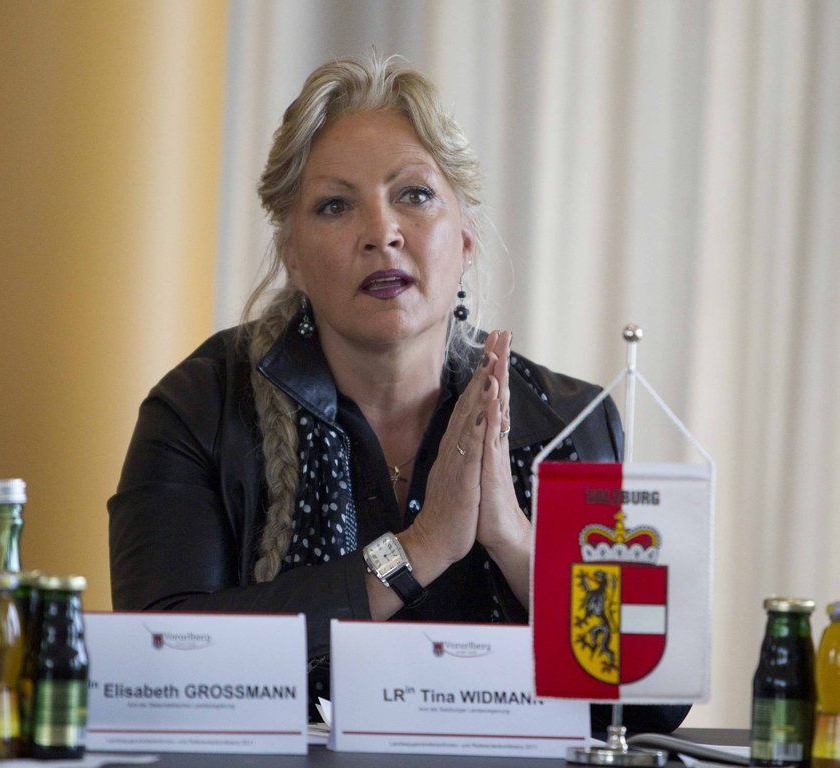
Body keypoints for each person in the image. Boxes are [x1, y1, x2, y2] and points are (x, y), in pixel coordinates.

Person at [109, 54, 688, 733]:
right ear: (293, 256)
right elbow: (158, 663)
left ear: (464, 238)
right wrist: (416, 551)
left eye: (413, 195)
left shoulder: (569, 423)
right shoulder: (201, 408)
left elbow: (650, 700)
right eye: (335, 205)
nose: (381, 233)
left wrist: (514, 540)